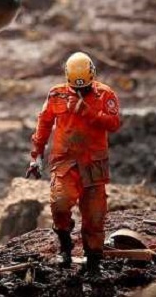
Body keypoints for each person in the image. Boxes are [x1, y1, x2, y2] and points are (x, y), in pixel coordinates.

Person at [27, 52, 123, 273]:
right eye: (76, 88)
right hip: (65, 161)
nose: (80, 92)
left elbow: (115, 123)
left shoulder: (105, 94)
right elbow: (43, 124)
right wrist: (36, 156)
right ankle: (65, 246)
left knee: (95, 215)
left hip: (93, 163)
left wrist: (90, 113)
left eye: (85, 88)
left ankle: (93, 261)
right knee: (60, 203)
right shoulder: (56, 95)